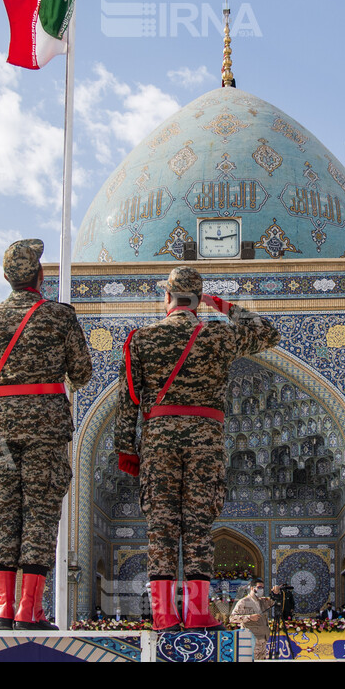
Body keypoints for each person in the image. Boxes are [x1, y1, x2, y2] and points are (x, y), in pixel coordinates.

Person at [117, 266, 279, 631]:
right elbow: (268, 332)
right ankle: (198, 613)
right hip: (205, 438)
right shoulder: (218, 334)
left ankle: (163, 615)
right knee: (198, 525)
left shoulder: (143, 338)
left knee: (160, 526)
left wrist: (126, 447)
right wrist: (221, 305)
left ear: (167, 298)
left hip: (159, 438)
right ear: (198, 300)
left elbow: (128, 399)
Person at [0, 239, 92, 631]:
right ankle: (29, 609)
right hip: (45, 427)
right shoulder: (58, 316)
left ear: (7, 277)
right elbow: (82, 373)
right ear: (40, 276)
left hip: (2, 429)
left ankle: (1, 608)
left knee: (5, 512)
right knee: (39, 513)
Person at [229, 579, 277, 661]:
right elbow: (232, 618)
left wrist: (276, 593)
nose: (261, 589)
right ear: (252, 588)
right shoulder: (243, 601)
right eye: (259, 587)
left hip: (263, 638)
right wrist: (249, 617)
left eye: (262, 588)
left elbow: (274, 602)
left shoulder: (262, 601)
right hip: (251, 638)